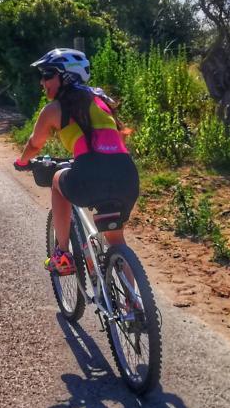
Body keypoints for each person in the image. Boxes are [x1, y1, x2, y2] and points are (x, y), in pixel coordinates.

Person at [13, 48, 140, 275]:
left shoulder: (54, 109)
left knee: (57, 180)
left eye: (48, 74)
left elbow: (34, 144)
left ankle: (62, 254)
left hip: (89, 175)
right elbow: (114, 140)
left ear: (66, 76)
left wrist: (22, 162)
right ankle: (137, 305)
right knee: (116, 240)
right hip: (126, 175)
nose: (42, 82)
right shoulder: (102, 102)